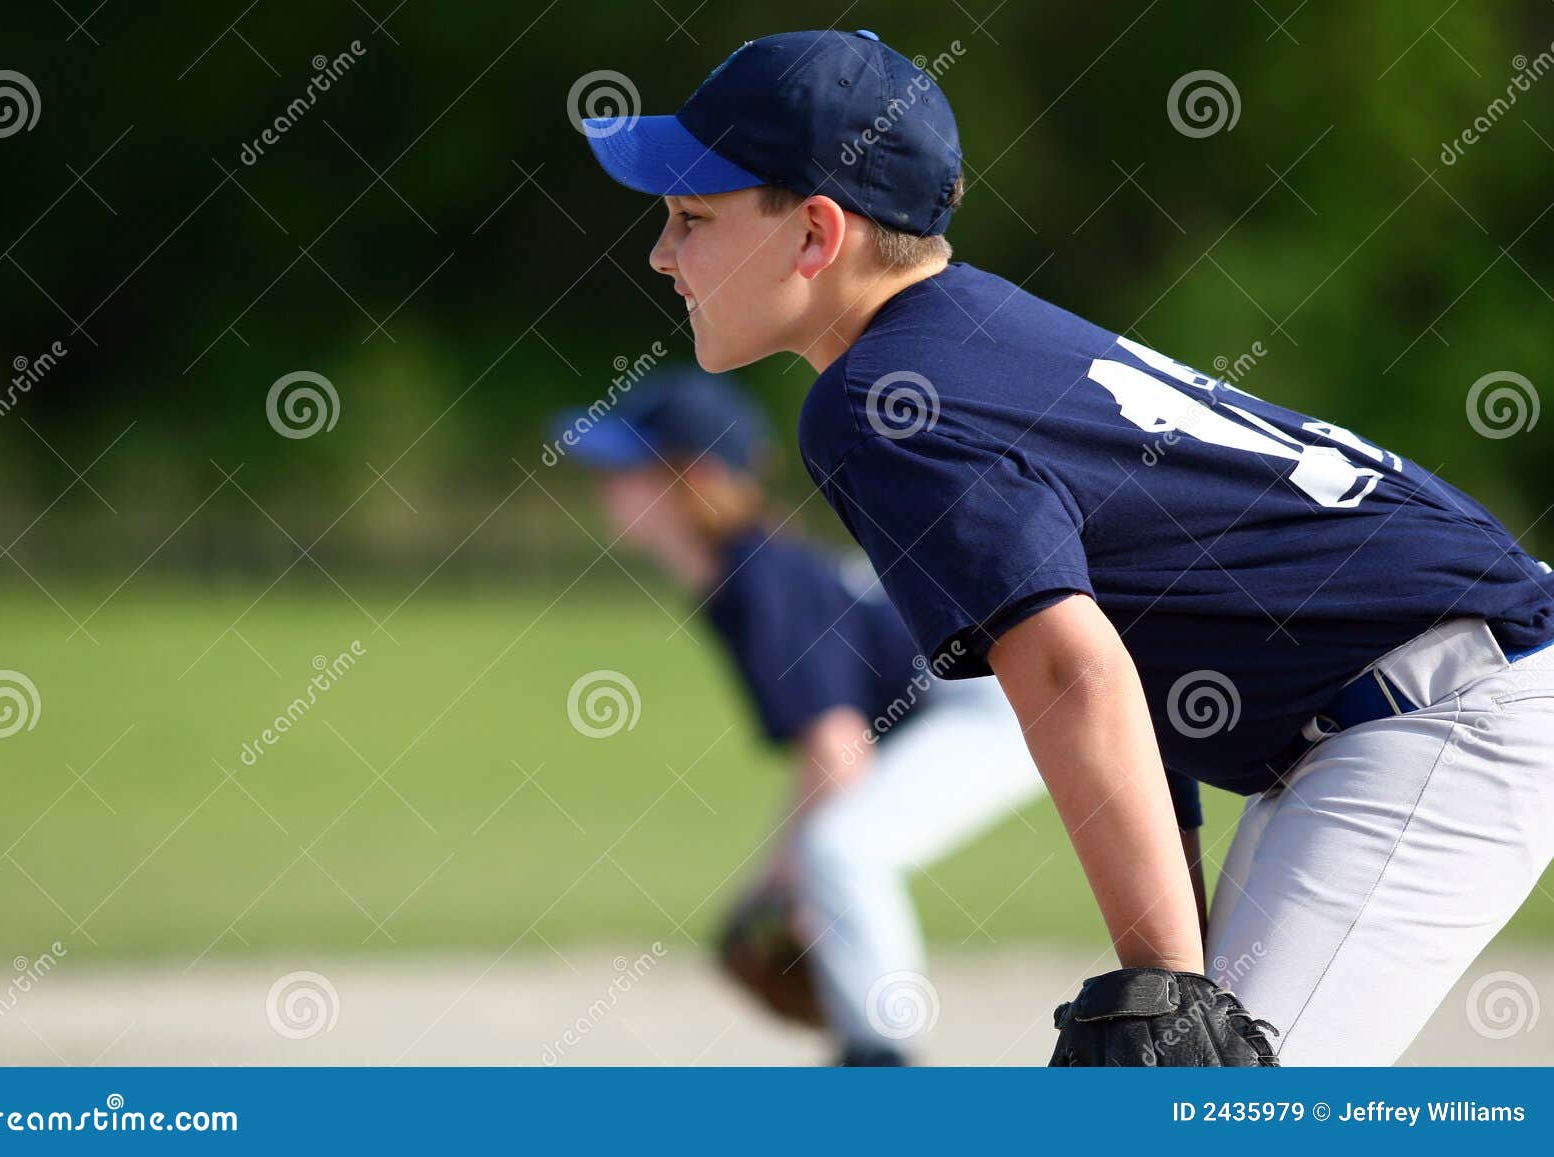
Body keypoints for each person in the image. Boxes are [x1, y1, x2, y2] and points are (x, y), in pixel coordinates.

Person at [579, 29, 1554, 1065]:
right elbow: (1132, 670)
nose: (661, 253)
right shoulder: (969, 337)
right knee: (1185, 1083)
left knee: (1211, 1112)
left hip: (1442, 707)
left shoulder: (879, 401)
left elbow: (1068, 667)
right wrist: (1171, 977)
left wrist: (1167, 987)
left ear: (816, 235)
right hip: (1411, 703)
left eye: (693, 218)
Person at [552, 370, 1199, 1064]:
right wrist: (786, 876)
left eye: (630, 466)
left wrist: (775, 881)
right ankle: (872, 1052)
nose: (605, 483)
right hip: (969, 702)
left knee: (841, 849)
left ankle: (881, 1061)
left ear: (693, 479)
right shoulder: (749, 570)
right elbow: (835, 748)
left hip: (996, 706)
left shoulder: (758, 578)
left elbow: (837, 749)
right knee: (834, 848)